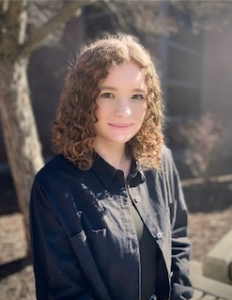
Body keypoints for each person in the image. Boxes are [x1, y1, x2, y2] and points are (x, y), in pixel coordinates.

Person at [30, 34, 193, 300]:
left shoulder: (161, 160)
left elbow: (178, 240)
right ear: (82, 99)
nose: (124, 111)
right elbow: (62, 292)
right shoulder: (54, 186)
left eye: (137, 96)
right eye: (108, 94)